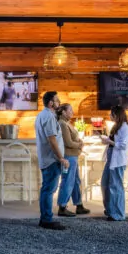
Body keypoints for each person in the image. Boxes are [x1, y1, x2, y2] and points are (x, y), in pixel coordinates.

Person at [35, 91, 69, 230]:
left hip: (47, 158)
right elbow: (52, 139)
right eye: (57, 100)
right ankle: (47, 220)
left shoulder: (42, 115)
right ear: (51, 103)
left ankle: (45, 218)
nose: (59, 102)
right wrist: (61, 158)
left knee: (47, 189)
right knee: (48, 190)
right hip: (51, 159)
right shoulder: (48, 116)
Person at [56, 104, 91, 217]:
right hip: (68, 157)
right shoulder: (62, 124)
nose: (72, 112)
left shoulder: (67, 123)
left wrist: (79, 142)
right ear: (63, 112)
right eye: (70, 110)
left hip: (73, 156)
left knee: (76, 181)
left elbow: (74, 138)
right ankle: (62, 207)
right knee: (68, 180)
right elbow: (68, 143)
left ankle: (79, 205)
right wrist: (80, 145)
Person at [100, 105, 128, 221]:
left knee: (116, 186)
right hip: (111, 160)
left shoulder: (125, 127)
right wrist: (107, 141)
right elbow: (113, 142)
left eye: (111, 114)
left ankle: (118, 214)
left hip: (118, 162)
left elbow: (124, 145)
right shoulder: (116, 126)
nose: (109, 116)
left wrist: (110, 141)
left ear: (117, 115)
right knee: (105, 184)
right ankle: (110, 209)